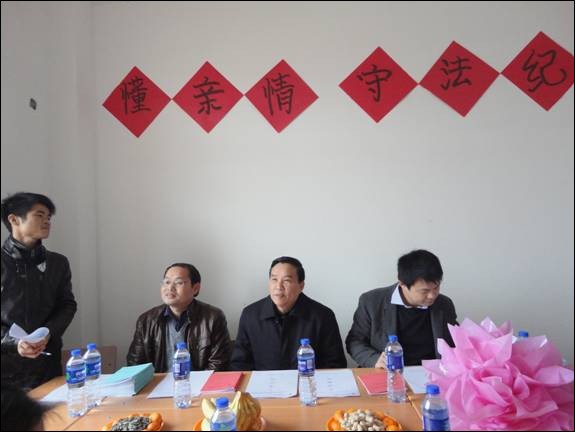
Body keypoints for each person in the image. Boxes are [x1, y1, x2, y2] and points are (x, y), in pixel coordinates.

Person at [1, 192, 77, 389]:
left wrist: (48, 333)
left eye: (49, 217)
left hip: (47, 366)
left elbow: (67, 305)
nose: (47, 221)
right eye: (39, 215)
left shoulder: (58, 262)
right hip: (6, 369)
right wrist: (13, 342)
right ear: (14, 219)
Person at [231, 256, 347, 370]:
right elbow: (240, 364)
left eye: (286, 280)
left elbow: (335, 364)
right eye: (274, 279)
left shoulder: (323, 316)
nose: (278, 286)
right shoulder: (250, 315)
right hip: (263, 382)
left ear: (301, 286)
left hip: (309, 380)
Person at [346, 249, 458, 368]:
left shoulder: (444, 304)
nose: (432, 295)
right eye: (424, 291)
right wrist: (374, 359)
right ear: (402, 284)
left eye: (436, 287)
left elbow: (455, 342)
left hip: (431, 371)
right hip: (387, 371)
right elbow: (354, 341)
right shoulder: (372, 302)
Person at [127, 263, 232, 372]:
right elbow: (135, 365)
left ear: (195, 288)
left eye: (178, 282)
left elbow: (219, 364)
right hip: (157, 382)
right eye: (167, 282)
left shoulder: (213, 318)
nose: (170, 288)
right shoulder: (147, 320)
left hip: (200, 382)